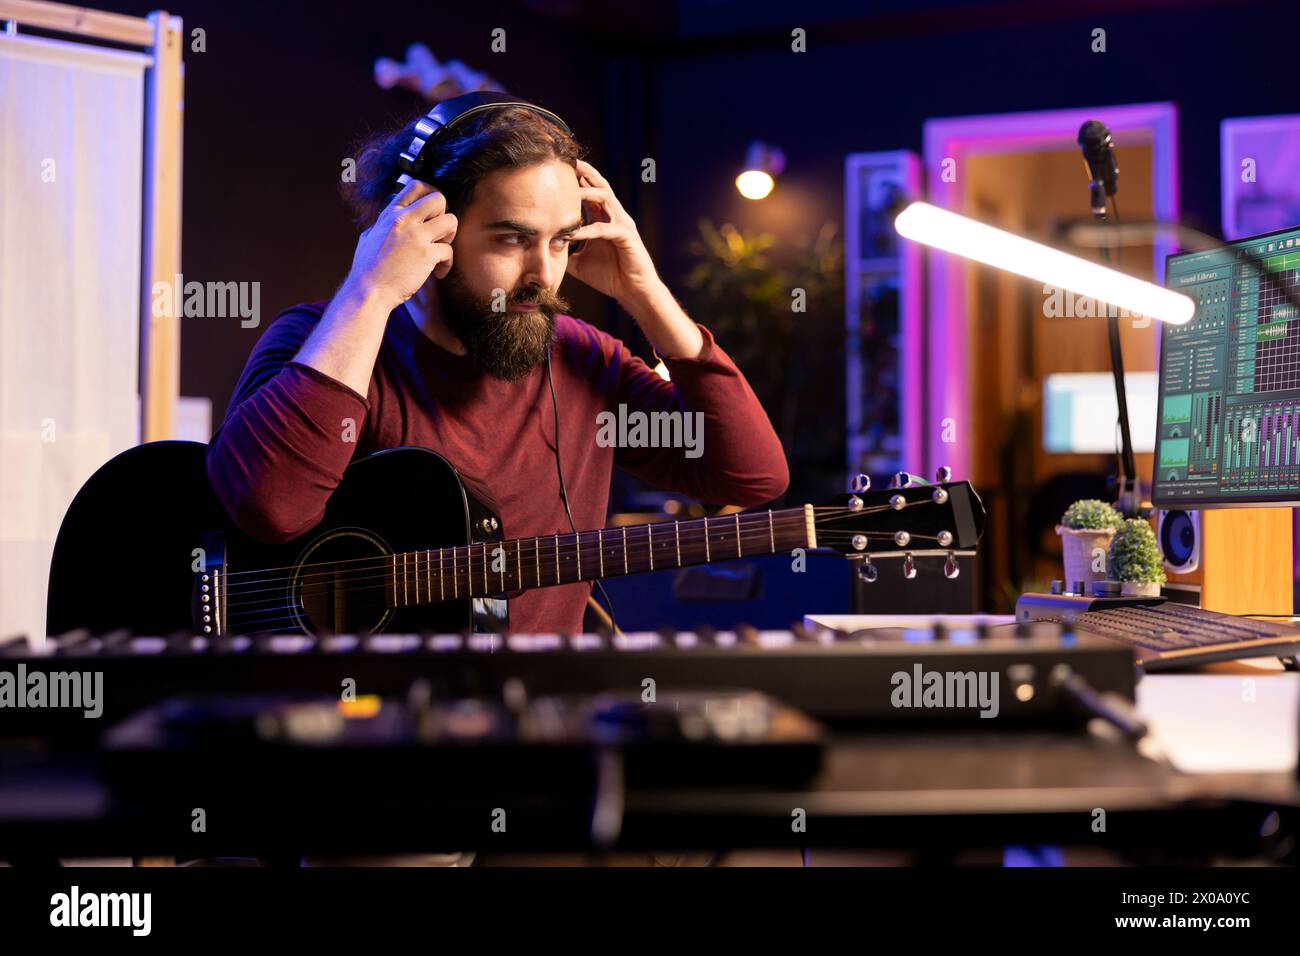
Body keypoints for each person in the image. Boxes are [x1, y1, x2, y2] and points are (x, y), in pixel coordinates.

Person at [205, 103, 789, 635]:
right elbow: (269, 508)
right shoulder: (323, 339)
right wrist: (369, 291)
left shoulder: (583, 359)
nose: (544, 273)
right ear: (426, 223)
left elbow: (749, 476)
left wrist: (645, 294)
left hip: (532, 722)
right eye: (513, 239)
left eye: (562, 241)